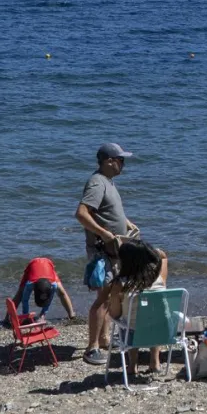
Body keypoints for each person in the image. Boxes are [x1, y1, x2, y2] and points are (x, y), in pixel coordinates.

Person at [75, 142, 141, 365]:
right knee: (103, 299)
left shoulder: (108, 182)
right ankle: (92, 348)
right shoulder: (97, 182)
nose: (123, 164)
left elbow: (107, 211)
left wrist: (126, 223)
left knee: (112, 295)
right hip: (103, 252)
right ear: (109, 161)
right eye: (121, 160)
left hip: (113, 251)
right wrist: (105, 234)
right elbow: (82, 214)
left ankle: (104, 339)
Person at [98, 239, 169, 376]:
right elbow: (163, 257)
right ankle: (155, 362)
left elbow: (115, 314)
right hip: (162, 330)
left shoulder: (121, 284)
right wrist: (153, 252)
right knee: (153, 317)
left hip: (134, 334)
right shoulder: (159, 278)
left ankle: (132, 365)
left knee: (128, 321)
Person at [9, 257, 75, 322]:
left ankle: (71, 314)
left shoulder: (53, 285)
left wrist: (43, 314)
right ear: (34, 290)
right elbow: (25, 300)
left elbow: (49, 299)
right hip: (32, 265)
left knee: (61, 292)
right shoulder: (29, 285)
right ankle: (7, 319)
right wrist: (25, 315)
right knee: (20, 293)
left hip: (48, 266)